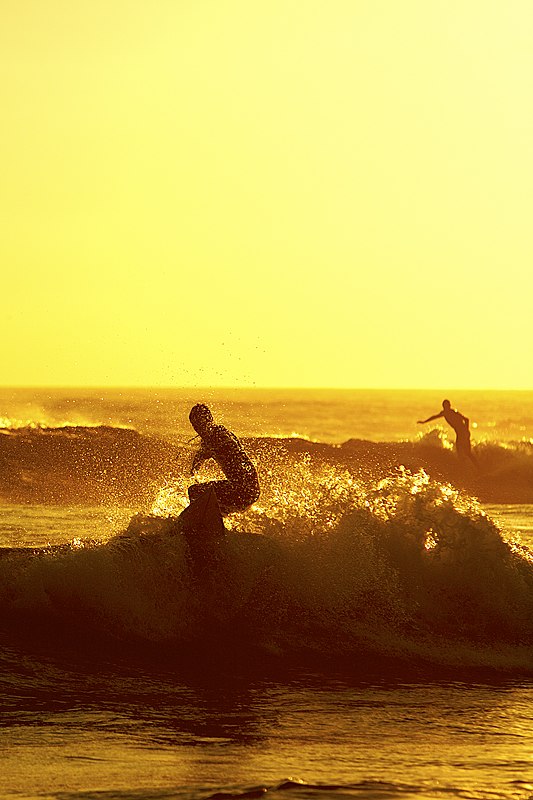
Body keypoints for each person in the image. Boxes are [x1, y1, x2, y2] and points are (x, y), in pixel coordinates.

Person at [186, 403, 260, 515]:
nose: (198, 429)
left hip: (242, 489)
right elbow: (199, 459)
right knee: (210, 498)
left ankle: (199, 519)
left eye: (200, 424)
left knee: (194, 491)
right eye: (195, 426)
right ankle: (216, 518)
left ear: (209, 420)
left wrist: (205, 453)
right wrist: (194, 471)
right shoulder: (222, 433)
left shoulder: (217, 437)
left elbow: (225, 448)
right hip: (252, 490)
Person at [418, 399, 477, 464]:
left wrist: (466, 431)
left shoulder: (453, 412)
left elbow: (466, 420)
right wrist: (424, 422)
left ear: (449, 406)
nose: (446, 407)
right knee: (463, 452)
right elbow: (434, 417)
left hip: (463, 433)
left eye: (447, 406)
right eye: (445, 406)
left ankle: (475, 467)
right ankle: (468, 466)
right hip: (459, 434)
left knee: (465, 452)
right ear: (443, 406)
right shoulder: (444, 413)